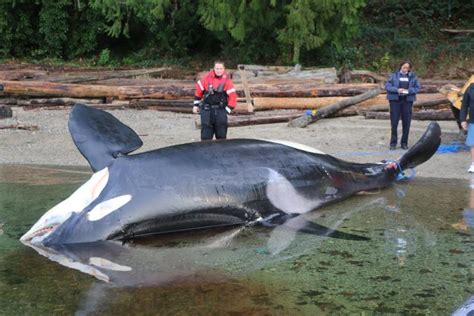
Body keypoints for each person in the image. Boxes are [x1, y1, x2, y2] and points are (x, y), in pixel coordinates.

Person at [193, 61, 237, 140]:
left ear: (224, 69)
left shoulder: (227, 81)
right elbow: (198, 92)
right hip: (207, 111)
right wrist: (195, 105)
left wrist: (226, 111)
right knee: (206, 137)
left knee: (221, 137)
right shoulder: (206, 79)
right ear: (214, 69)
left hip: (220, 111)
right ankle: (205, 152)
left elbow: (233, 98)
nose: (219, 70)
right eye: (217, 68)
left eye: (220, 69)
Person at [385, 61, 421, 150]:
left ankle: (404, 143)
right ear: (401, 66)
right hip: (395, 101)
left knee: (406, 123)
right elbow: (388, 86)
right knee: (394, 123)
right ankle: (393, 143)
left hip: (407, 101)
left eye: (407, 68)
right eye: (404, 67)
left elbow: (417, 88)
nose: (405, 69)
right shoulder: (393, 75)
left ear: (409, 69)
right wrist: (397, 90)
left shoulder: (413, 76)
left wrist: (408, 91)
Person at [460, 83, 474, 172]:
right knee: (473, 144)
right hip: (473, 120)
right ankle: (473, 164)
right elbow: (464, 105)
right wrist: (463, 120)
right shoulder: (470, 88)